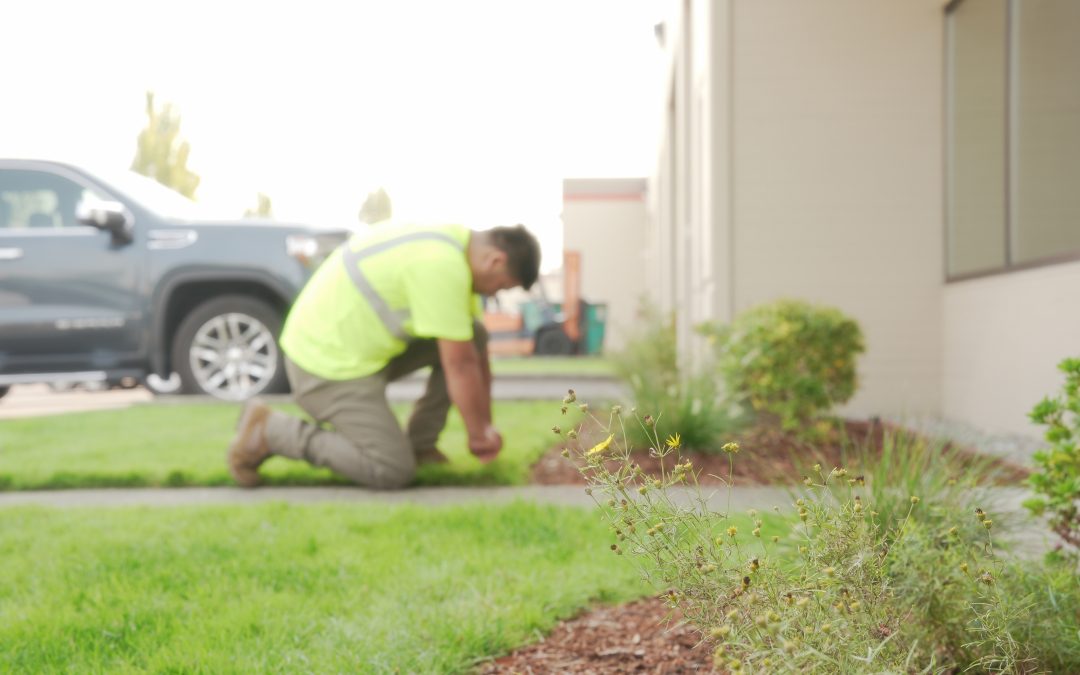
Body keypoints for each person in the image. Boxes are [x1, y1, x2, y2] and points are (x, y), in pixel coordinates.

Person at [226, 222, 541, 489]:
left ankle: (421, 445)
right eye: (500, 287)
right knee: (391, 469)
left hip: (354, 350)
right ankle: (271, 431)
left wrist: (485, 427)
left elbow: (474, 357)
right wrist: (477, 436)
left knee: (472, 336)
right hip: (323, 367)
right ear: (495, 261)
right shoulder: (441, 265)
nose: (493, 295)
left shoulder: (450, 244)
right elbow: (458, 365)